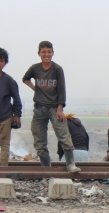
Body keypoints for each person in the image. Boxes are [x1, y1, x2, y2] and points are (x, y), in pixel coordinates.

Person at [23, 41, 80, 173]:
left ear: (53, 53)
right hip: (39, 108)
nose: (46, 54)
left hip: (54, 108)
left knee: (63, 134)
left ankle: (70, 164)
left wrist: (60, 109)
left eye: (49, 52)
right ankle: (45, 166)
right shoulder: (35, 68)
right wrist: (35, 89)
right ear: (39, 54)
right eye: (43, 52)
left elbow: (62, 90)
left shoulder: (57, 69)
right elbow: (25, 79)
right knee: (38, 137)